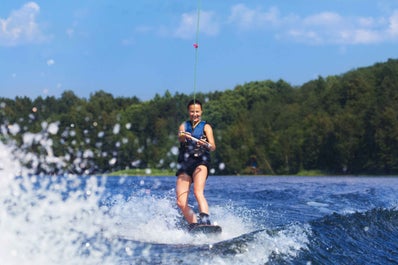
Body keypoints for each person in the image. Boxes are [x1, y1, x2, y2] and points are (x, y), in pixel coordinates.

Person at [176, 99, 216, 231]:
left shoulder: (206, 127)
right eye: (192, 111)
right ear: (188, 112)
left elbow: (213, 146)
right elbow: (181, 139)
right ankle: (194, 225)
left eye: (197, 111)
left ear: (201, 112)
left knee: (197, 191)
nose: (195, 114)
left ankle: (206, 221)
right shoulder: (183, 126)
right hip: (185, 163)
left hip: (201, 162)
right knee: (181, 202)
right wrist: (184, 136)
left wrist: (206, 144)